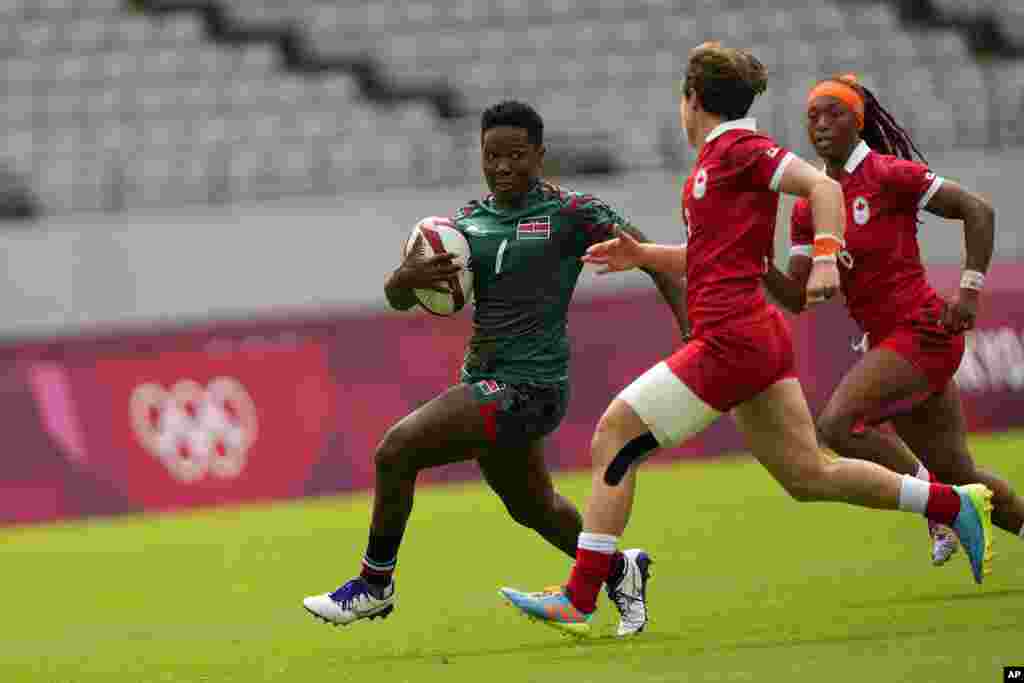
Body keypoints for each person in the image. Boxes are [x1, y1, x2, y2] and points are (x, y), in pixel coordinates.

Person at [498, 43, 994, 637]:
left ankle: (582, 595)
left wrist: (830, 259)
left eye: (681, 100)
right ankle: (950, 504)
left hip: (732, 339)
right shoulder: (714, 163)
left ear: (692, 100)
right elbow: (716, 257)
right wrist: (642, 255)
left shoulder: (740, 148)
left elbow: (824, 190)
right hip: (754, 338)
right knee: (809, 475)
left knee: (615, 432)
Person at [302, 100, 688, 636]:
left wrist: (693, 329)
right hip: (486, 381)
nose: (503, 167)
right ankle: (619, 570)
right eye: (492, 156)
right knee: (536, 508)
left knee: (396, 450)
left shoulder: (572, 211)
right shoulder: (467, 224)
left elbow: (655, 257)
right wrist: (402, 277)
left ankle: (374, 584)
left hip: (529, 387)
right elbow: (405, 299)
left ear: (540, 155)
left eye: (515, 155)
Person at [758, 73, 1024, 566]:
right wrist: (758, 264)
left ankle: (940, 511)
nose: (820, 124)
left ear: (858, 122)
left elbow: (977, 209)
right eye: (812, 116)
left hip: (923, 330)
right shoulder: (808, 207)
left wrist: (969, 291)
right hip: (892, 341)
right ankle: (957, 503)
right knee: (959, 473)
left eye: (833, 113)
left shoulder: (886, 174)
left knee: (837, 425)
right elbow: (796, 298)